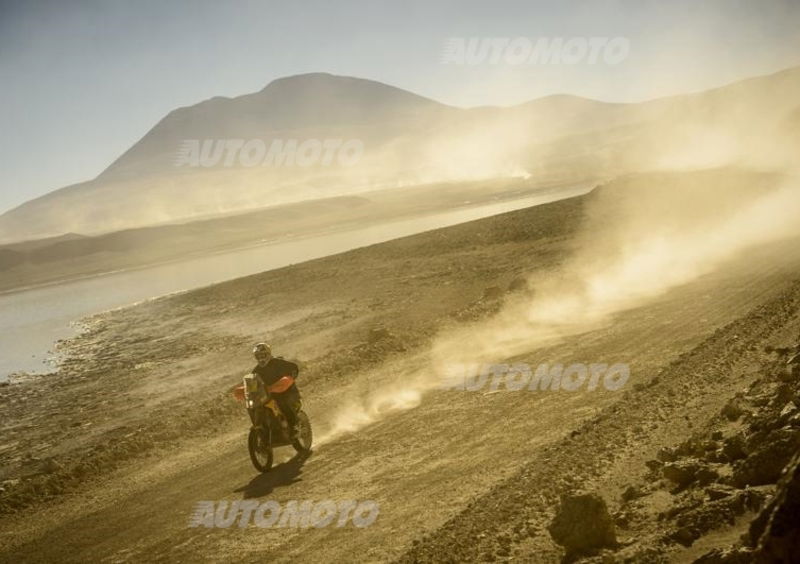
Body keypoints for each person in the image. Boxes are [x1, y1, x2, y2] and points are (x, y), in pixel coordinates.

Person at [251, 343, 302, 438]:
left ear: (268, 354)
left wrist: (289, 378)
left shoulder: (278, 363)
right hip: (268, 395)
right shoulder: (256, 371)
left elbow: (294, 368)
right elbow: (252, 384)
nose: (261, 358)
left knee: (282, 403)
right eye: (258, 356)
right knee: (255, 406)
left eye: (263, 355)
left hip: (287, 392)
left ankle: (295, 426)